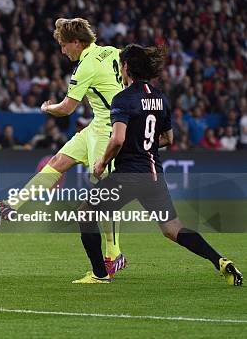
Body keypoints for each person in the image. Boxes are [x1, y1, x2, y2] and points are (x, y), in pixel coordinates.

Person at [72, 44, 242, 286]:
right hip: (153, 176)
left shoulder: (122, 99)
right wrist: (144, 144)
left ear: (127, 67)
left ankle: (100, 274)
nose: (120, 69)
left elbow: (118, 138)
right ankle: (220, 261)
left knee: (86, 212)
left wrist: (102, 161)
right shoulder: (160, 98)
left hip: (129, 175)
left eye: (121, 65)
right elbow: (168, 139)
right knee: (173, 229)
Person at [0, 18, 126, 276]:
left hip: (109, 130)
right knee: (57, 162)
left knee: (103, 194)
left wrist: (47, 108)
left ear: (77, 43)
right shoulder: (112, 51)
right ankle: (13, 206)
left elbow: (67, 108)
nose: (62, 50)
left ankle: (114, 254)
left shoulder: (85, 66)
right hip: (95, 125)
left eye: (64, 45)